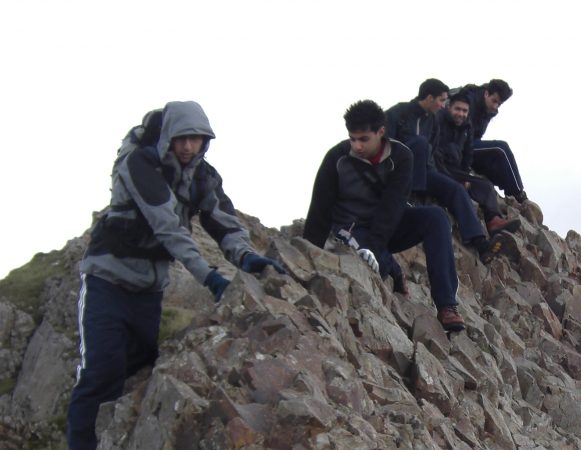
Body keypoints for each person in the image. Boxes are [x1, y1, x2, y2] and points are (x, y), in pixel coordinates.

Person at [68, 101, 285, 450]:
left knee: (138, 372)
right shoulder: (138, 163)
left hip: (149, 291)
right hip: (106, 283)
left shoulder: (203, 176)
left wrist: (247, 257)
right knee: (100, 374)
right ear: (168, 136)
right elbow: (167, 227)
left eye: (196, 139)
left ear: (205, 141)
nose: (188, 146)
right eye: (182, 138)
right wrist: (210, 277)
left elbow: (223, 220)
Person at [303, 100, 466, 332]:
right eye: (352, 138)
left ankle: (447, 305)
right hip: (350, 227)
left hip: (388, 225)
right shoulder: (336, 158)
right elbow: (319, 209)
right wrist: (308, 254)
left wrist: (379, 251)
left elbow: (393, 207)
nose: (357, 146)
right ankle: (391, 269)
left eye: (363, 139)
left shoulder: (401, 157)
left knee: (437, 218)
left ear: (381, 132)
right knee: (365, 256)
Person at [430, 93, 517, 232]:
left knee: (486, 186)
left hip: (455, 170)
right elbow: (434, 151)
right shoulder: (438, 120)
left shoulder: (467, 127)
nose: (461, 114)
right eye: (457, 109)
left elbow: (468, 154)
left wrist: (464, 176)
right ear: (449, 108)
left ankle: (494, 220)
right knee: (459, 187)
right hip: (438, 168)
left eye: (464, 111)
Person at [453, 79, 526, 201]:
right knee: (501, 148)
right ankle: (518, 193)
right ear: (486, 93)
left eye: (499, 104)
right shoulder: (469, 101)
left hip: (469, 144)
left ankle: (511, 193)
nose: (495, 106)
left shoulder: (486, 110)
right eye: (494, 101)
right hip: (459, 144)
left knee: (497, 157)